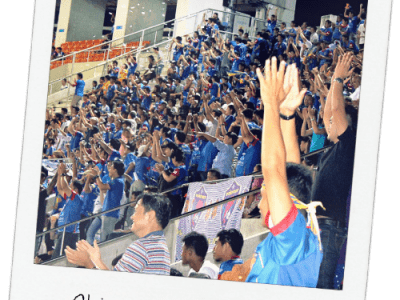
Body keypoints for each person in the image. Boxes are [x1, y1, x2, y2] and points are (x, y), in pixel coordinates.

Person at [244, 58, 322, 287]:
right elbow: (289, 168)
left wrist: (270, 104)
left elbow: (275, 170)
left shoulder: (293, 237)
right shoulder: (294, 234)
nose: (259, 201)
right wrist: (286, 113)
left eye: (264, 192)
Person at [312, 53, 358, 289]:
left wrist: (338, 81)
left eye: (334, 123)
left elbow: (337, 113)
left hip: (330, 226)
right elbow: (330, 112)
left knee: (322, 284)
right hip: (319, 223)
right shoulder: (332, 147)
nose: (327, 122)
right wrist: (333, 83)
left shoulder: (348, 144)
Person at [65, 193, 172, 275]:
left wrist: (88, 263)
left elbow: (114, 285)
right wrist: (96, 260)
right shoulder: (160, 245)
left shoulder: (142, 248)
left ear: (150, 215)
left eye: (135, 211)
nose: (132, 216)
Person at [86, 160, 125, 245]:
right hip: (105, 212)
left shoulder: (117, 181)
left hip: (110, 214)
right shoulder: (116, 180)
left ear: (115, 170)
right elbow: (102, 188)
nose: (109, 169)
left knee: (104, 240)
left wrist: (97, 175)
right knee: (90, 232)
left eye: (111, 167)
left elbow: (101, 186)